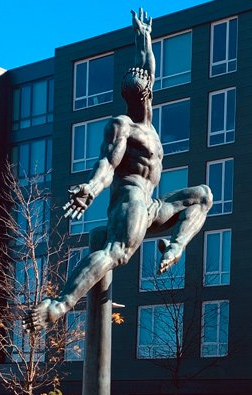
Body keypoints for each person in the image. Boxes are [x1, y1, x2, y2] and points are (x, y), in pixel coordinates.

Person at [23, 8, 212, 331]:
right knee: (117, 252)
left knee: (202, 195)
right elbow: (108, 163)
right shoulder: (122, 125)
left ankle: (176, 247)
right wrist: (92, 189)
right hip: (130, 201)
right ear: (140, 96)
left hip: (152, 206)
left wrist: (144, 37)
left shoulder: (149, 124)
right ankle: (58, 305)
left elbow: (147, 64)